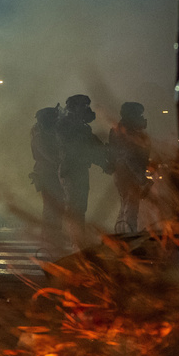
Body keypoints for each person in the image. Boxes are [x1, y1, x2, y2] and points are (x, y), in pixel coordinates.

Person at [56, 94, 109, 246]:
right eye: (83, 106)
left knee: (80, 207)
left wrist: (105, 158)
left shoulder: (82, 126)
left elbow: (94, 147)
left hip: (80, 170)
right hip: (71, 170)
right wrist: (102, 161)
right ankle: (75, 241)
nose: (86, 109)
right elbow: (80, 148)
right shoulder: (65, 125)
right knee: (74, 207)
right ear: (74, 107)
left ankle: (78, 240)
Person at [108, 102, 152, 234]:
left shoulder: (121, 130)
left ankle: (122, 234)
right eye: (138, 114)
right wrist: (142, 178)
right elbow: (128, 156)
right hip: (128, 174)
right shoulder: (125, 132)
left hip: (124, 173)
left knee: (126, 205)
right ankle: (128, 235)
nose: (141, 117)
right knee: (131, 207)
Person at [30, 105, 64, 235]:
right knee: (51, 206)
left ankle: (54, 233)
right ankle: (49, 235)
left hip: (51, 173)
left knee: (56, 205)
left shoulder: (47, 135)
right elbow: (49, 156)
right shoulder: (40, 137)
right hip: (47, 174)